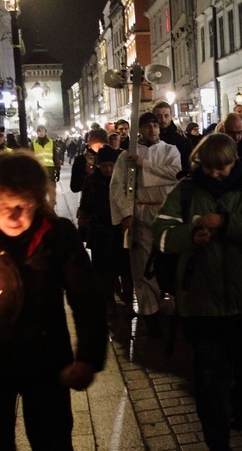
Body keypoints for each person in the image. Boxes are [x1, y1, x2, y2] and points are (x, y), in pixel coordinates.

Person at [0, 150, 108, 449]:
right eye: (4, 205)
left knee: (52, 440)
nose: (14, 215)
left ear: (37, 200)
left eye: (23, 205)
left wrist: (89, 358)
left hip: (46, 358)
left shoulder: (57, 234)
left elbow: (87, 297)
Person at [152, 133, 242, 449]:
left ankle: (239, 409)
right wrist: (190, 235)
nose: (214, 174)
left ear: (233, 162)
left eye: (220, 168)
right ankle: (216, 441)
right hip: (200, 304)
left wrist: (227, 221)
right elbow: (162, 237)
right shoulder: (185, 192)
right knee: (208, 379)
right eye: (208, 168)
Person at [110, 112, 181, 333]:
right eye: (147, 126)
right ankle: (149, 312)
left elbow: (174, 174)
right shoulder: (126, 156)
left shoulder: (170, 150)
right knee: (141, 265)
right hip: (140, 214)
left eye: (155, 126)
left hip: (165, 213)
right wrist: (125, 214)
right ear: (139, 130)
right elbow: (117, 187)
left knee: (166, 263)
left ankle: (169, 308)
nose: (152, 130)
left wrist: (145, 165)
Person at [77, 145, 125, 313]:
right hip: (99, 229)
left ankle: (120, 292)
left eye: (111, 165)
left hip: (118, 227)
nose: (108, 169)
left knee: (121, 264)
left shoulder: (121, 179)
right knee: (102, 268)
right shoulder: (91, 181)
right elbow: (84, 205)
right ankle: (109, 301)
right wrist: (85, 227)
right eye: (104, 165)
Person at [154, 100, 192, 176]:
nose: (163, 119)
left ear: (171, 116)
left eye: (166, 115)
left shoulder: (181, 140)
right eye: (159, 116)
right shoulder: (150, 139)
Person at [70, 128, 108, 193]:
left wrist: (91, 175)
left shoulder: (109, 157)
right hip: (90, 199)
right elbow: (75, 187)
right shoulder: (81, 160)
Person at [33, 124, 61, 207]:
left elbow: (55, 156)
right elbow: (31, 156)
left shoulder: (51, 142)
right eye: (39, 131)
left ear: (45, 132)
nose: (41, 133)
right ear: (37, 133)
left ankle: (52, 207)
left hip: (50, 170)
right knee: (41, 190)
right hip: (39, 171)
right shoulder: (33, 143)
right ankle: (44, 207)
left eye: (43, 131)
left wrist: (58, 169)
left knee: (52, 190)